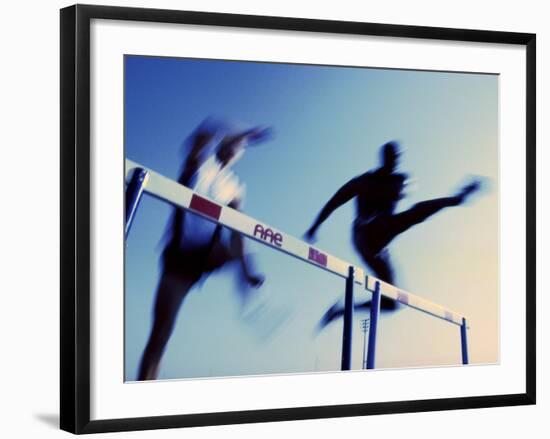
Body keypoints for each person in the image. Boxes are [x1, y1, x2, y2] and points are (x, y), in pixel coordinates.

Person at [137, 118, 272, 380]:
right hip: (178, 258)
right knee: (161, 332)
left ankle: (250, 301)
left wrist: (248, 271)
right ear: (223, 144)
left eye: (240, 147)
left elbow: (237, 231)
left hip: (207, 255)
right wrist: (245, 132)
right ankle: (144, 388)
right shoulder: (200, 163)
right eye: (232, 143)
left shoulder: (235, 187)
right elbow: (205, 131)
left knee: (240, 247)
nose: (235, 149)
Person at [304, 141, 481, 327]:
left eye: (398, 158)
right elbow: (334, 202)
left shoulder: (400, 180)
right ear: (384, 158)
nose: (395, 163)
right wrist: (315, 227)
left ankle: (341, 311)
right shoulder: (363, 182)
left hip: (381, 245)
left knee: (393, 303)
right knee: (409, 215)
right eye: (392, 158)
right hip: (364, 235)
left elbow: (411, 200)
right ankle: (455, 198)